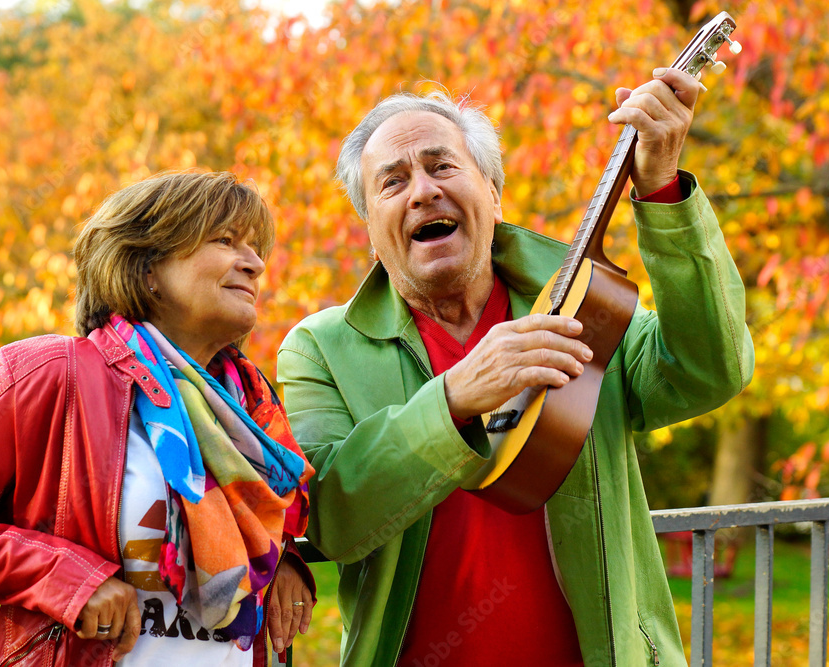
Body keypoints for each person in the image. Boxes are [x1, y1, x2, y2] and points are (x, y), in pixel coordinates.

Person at [277, 72, 754, 666]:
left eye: (442, 166)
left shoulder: (584, 306)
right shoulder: (319, 349)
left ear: (495, 193)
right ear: (372, 231)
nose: (422, 192)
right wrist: (453, 398)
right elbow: (328, 518)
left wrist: (660, 191)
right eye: (392, 182)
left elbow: (709, 369)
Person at [0, 171, 317, 666]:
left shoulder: (248, 404)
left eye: (257, 248)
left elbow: (237, 527)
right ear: (147, 267)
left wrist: (278, 557)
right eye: (226, 240)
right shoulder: (50, 374)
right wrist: (67, 578)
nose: (255, 264)